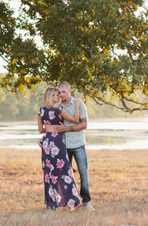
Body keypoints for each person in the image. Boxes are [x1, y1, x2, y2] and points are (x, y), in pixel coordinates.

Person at [49, 81, 94, 211]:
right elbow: (52, 125)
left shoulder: (78, 104)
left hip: (78, 144)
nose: (61, 95)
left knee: (83, 173)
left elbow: (84, 124)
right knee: (65, 175)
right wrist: (43, 138)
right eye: (59, 93)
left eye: (63, 92)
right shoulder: (57, 106)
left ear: (69, 91)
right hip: (63, 146)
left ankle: (86, 202)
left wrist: (67, 129)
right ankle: (70, 202)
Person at [37, 87, 83, 210]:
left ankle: (51, 203)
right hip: (57, 142)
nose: (59, 97)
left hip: (47, 143)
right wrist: (77, 105)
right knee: (65, 171)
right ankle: (72, 201)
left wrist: (48, 129)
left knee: (49, 173)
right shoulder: (58, 109)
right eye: (56, 95)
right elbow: (75, 120)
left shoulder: (40, 111)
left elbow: (41, 130)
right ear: (51, 97)